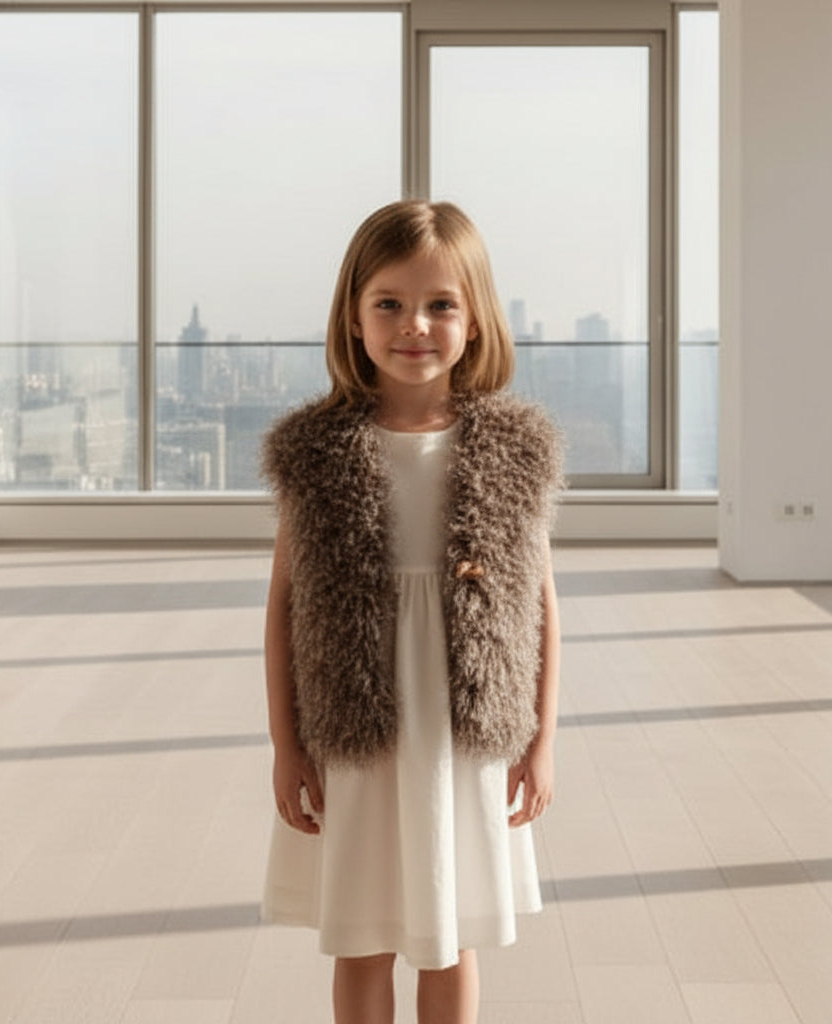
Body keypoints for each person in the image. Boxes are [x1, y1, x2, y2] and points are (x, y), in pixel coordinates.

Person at [261, 199, 563, 1024]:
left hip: (463, 726)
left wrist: (541, 741)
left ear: (475, 319)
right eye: (388, 303)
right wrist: (288, 747)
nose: (414, 325)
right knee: (359, 935)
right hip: (354, 721)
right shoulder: (315, 454)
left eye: (440, 304)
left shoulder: (511, 451)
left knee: (450, 927)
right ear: (354, 317)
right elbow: (285, 607)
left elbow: (538, 604)